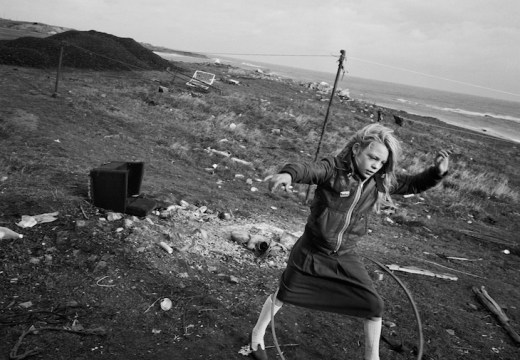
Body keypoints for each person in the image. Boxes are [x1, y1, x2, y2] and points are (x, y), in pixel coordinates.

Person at [249, 123, 450, 360]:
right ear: (356, 149)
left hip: (345, 254)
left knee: (374, 305)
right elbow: (308, 169)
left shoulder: (379, 181)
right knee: (284, 293)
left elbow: (414, 184)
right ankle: (257, 336)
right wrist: (288, 174)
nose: (376, 165)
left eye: (381, 162)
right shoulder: (332, 170)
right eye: (372, 157)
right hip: (312, 250)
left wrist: (436, 173)